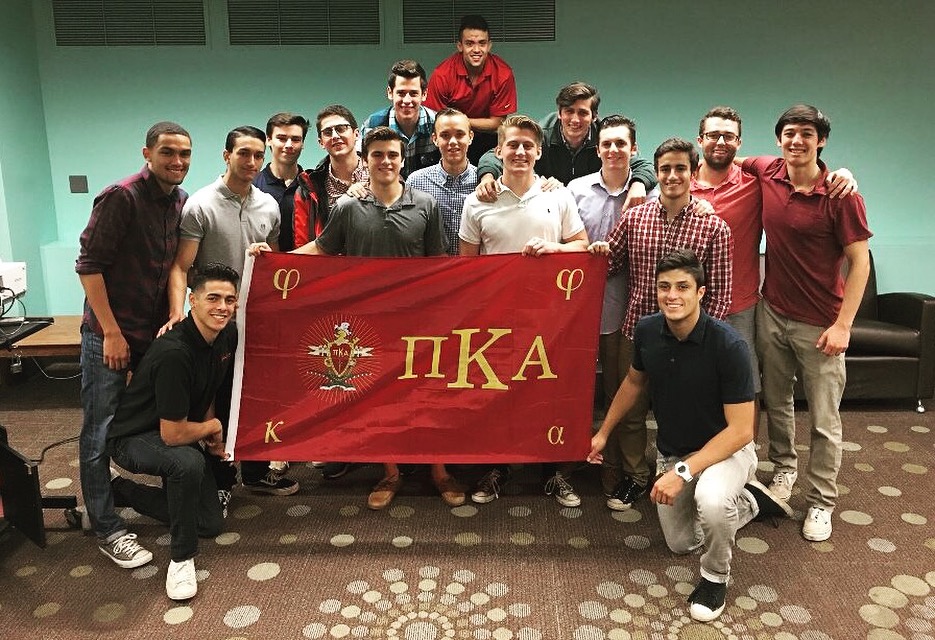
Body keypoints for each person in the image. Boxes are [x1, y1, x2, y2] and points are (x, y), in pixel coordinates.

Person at [251, 126, 461, 510]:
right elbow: (323, 249)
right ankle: (391, 473)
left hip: (416, 323)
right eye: (377, 155)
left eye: (393, 155)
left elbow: (439, 265)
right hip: (368, 322)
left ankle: (439, 471)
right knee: (379, 401)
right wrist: (275, 260)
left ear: (402, 160)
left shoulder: (426, 204)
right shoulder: (349, 207)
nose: (385, 161)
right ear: (366, 160)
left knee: (427, 398)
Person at [588, 249, 791, 623]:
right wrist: (603, 433)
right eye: (664, 287)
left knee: (713, 503)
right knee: (681, 543)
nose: (672, 295)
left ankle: (715, 579)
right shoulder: (649, 330)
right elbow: (634, 382)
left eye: (683, 287)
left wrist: (683, 474)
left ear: (701, 293)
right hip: (675, 453)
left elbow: (742, 430)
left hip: (727, 451)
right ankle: (753, 503)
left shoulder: (728, 345)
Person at [744, 105, 871, 542]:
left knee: (822, 418)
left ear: (821, 142)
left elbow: (860, 262)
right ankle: (783, 471)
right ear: (779, 139)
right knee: (776, 404)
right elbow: (722, 161)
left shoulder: (841, 194)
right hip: (772, 313)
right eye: (790, 133)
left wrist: (844, 325)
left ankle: (821, 501)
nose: (797, 141)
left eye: (807, 134)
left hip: (820, 324)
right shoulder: (768, 171)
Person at [691, 106, 858, 438]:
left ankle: (745, 463)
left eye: (729, 136)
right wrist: (642, 180)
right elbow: (655, 170)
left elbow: (858, 260)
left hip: (742, 307)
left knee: (746, 389)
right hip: (691, 309)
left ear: (740, 143)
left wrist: (844, 174)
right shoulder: (679, 183)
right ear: (699, 140)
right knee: (691, 386)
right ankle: (691, 456)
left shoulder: (756, 181)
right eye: (713, 135)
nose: (720, 142)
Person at [589, 137, 733, 512]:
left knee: (683, 411)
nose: (672, 176)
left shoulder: (714, 227)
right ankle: (636, 477)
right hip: (637, 330)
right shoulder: (635, 217)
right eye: (665, 168)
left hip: (691, 341)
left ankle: (689, 476)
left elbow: (719, 294)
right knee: (631, 412)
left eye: (680, 168)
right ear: (656, 172)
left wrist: (701, 346)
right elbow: (610, 265)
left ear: (693, 171)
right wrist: (587, 250)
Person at [72, 121, 193, 568]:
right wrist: (111, 332)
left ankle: (144, 501)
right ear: (147, 153)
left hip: (151, 335)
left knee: (150, 421)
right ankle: (106, 526)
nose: (177, 161)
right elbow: (88, 267)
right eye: (167, 153)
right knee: (99, 429)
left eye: (184, 153)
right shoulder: (121, 197)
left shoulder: (180, 201)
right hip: (110, 335)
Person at [460, 114, 589, 507]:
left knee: (548, 393)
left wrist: (556, 250)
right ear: (498, 150)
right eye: (512, 144)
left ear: (538, 152)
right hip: (498, 320)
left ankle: (553, 470)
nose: (519, 151)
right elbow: (466, 266)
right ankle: (498, 466)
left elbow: (582, 246)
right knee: (500, 395)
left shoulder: (558, 195)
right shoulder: (476, 201)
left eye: (527, 146)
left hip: (552, 319)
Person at [164, 125, 298, 500]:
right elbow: (182, 266)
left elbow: (273, 265)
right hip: (215, 323)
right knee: (217, 398)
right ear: (227, 156)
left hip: (255, 320)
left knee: (256, 396)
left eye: (258, 155)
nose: (252, 162)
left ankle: (256, 473)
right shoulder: (201, 205)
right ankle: (219, 481)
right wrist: (178, 313)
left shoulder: (269, 205)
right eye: (243, 154)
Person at [108, 262, 239, 600]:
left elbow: (209, 387)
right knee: (186, 463)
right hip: (135, 437)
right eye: (213, 298)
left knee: (210, 523)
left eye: (229, 299)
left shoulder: (228, 334)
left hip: (178, 430)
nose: (222, 307)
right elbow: (171, 436)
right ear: (192, 300)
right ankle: (181, 558)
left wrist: (213, 434)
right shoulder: (175, 353)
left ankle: (119, 491)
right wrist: (212, 426)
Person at [566, 115, 640, 505]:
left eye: (621, 144)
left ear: (633, 150)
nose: (613, 150)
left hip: (621, 310)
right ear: (597, 150)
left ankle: (615, 468)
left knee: (618, 393)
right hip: (574, 310)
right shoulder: (574, 190)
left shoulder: (648, 195)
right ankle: (564, 462)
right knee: (568, 388)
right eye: (607, 144)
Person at [476, 82, 655, 209]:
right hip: (551, 210)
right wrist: (487, 177)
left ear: (594, 116)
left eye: (583, 113)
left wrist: (638, 184)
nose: (575, 120)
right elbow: (495, 155)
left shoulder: (605, 138)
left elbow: (644, 165)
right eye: (569, 111)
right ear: (560, 113)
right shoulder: (542, 134)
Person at [424, 14, 517, 165]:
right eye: (469, 43)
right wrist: (459, 127)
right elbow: (436, 120)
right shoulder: (442, 74)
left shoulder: (503, 73)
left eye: (482, 43)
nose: (476, 49)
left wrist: (460, 120)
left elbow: (496, 123)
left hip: (488, 138)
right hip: (452, 136)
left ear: (489, 45)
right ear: (460, 45)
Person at [291, 105, 370, 256]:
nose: (335, 136)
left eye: (341, 128)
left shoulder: (380, 174)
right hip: (330, 273)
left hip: (375, 269)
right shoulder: (308, 189)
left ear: (356, 134)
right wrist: (270, 258)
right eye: (328, 132)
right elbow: (303, 246)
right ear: (321, 142)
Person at [406, 108, 477, 254]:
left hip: (475, 271)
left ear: (470, 137)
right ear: (435, 139)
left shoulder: (484, 182)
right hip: (432, 271)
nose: (453, 142)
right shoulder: (416, 182)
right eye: (445, 135)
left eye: (460, 134)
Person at [361, 59, 440, 179]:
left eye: (413, 93)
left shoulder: (438, 124)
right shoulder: (372, 125)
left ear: (424, 94)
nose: (407, 100)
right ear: (390, 92)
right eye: (401, 93)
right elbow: (361, 167)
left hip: (429, 195)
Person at [254, 112, 309, 251]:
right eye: (282, 138)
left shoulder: (313, 186)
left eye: (296, 139)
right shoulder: (252, 185)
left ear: (303, 143)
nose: (289, 145)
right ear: (268, 140)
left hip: (305, 268)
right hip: (261, 267)